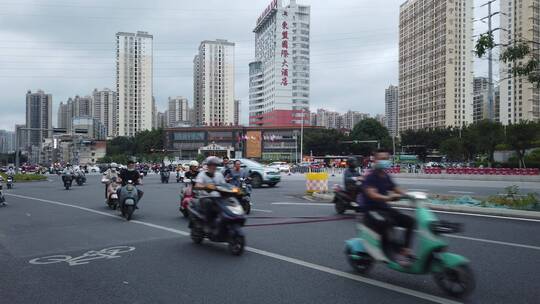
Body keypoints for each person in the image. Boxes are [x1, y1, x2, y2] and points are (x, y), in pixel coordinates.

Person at [362, 149, 415, 267]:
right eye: (381, 159)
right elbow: (372, 194)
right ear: (375, 160)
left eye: (386, 158)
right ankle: (393, 253)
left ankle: (405, 250)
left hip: (385, 209)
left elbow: (396, 188)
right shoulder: (371, 176)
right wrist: (388, 198)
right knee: (388, 222)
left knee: (410, 221)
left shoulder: (386, 176)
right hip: (372, 211)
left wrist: (410, 195)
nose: (385, 161)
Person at [194, 156, 226, 225]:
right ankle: (208, 224)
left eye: (215, 165)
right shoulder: (202, 174)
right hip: (205, 197)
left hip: (218, 197)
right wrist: (206, 186)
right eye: (211, 165)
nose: (213, 167)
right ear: (208, 166)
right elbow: (197, 185)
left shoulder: (219, 175)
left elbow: (224, 185)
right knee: (208, 203)